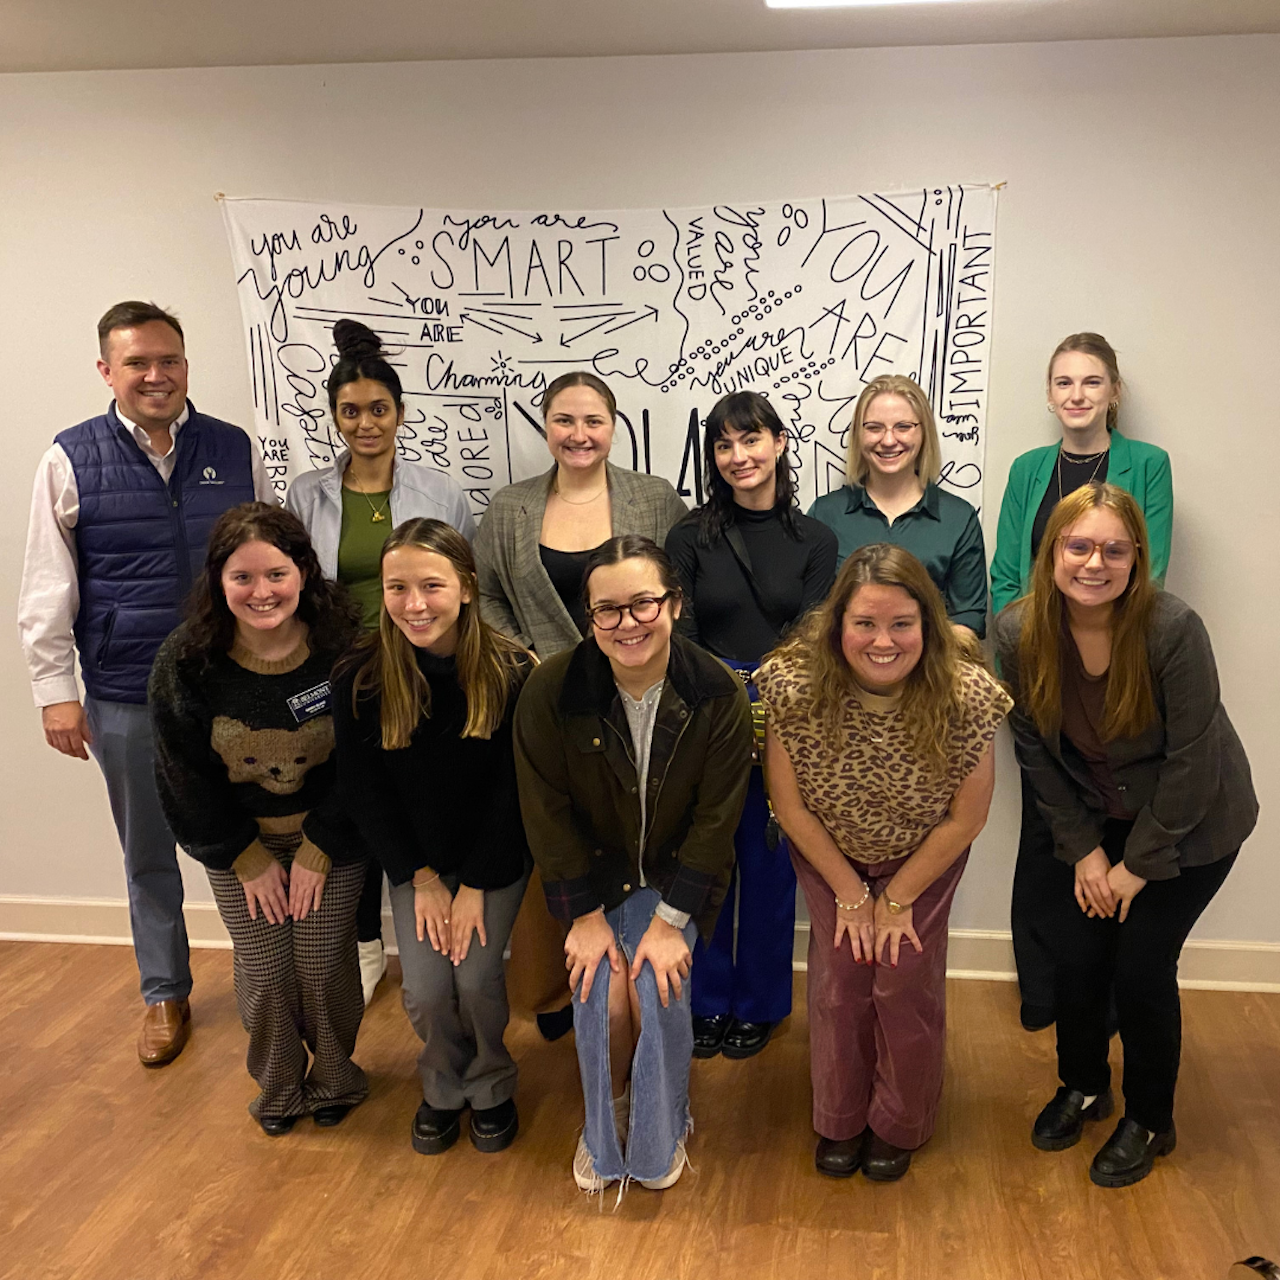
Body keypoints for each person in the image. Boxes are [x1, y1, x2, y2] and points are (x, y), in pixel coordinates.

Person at [18, 300, 274, 1067]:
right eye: (137, 363)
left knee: (255, 838)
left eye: (168, 360)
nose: (155, 376)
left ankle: (271, 981)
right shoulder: (70, 458)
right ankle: (164, 991)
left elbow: (269, 561)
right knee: (148, 851)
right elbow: (44, 586)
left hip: (230, 685)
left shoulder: (233, 450)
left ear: (186, 365)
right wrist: (54, 689)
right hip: (125, 690)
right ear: (108, 371)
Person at [994, 483, 1255, 1188]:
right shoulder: (1016, 633)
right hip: (1094, 818)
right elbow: (1035, 755)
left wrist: (1133, 869)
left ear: (1137, 557)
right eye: (1078, 546)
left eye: (1114, 549)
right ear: (1052, 553)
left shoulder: (1173, 629)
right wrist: (1084, 851)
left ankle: (1150, 1118)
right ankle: (1083, 1085)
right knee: (1076, 956)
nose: (1094, 563)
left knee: (1139, 967)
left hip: (1194, 822)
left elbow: (1194, 763)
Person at [757, 543, 1010, 1182]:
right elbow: (788, 806)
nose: (883, 641)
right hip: (827, 850)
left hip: (925, 852)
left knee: (903, 980)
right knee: (841, 982)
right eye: (865, 623)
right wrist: (849, 893)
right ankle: (839, 1117)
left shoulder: (968, 693)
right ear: (837, 622)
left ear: (927, 622)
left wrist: (896, 899)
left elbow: (967, 818)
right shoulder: (791, 684)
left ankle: (901, 1120)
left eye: (902, 624)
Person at [513, 536, 753, 1192]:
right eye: (607, 610)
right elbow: (546, 816)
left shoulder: (718, 692)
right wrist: (584, 917)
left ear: (673, 604)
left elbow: (716, 822)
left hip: (677, 878)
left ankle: (662, 1125)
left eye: (643, 604)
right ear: (588, 617)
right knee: (599, 992)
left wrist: (672, 920)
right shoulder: (550, 689)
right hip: (589, 877)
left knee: (655, 984)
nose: (627, 624)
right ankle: (608, 1117)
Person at [476, 371, 688, 1039]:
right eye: (565, 421)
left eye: (593, 420)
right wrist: (528, 660)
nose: (579, 434)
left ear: (614, 425)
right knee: (557, 836)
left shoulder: (654, 500)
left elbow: (675, 592)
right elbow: (483, 597)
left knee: (636, 835)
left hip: (635, 697)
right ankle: (567, 983)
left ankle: (638, 962)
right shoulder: (510, 507)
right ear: (546, 428)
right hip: (548, 701)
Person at [149, 503, 369, 1134]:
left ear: (303, 571)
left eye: (275, 574)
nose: (261, 592)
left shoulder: (344, 645)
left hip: (330, 838)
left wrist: (321, 845)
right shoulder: (186, 663)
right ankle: (277, 1090)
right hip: (240, 846)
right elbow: (180, 776)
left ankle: (335, 1076)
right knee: (267, 971)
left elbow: (365, 760)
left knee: (323, 963)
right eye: (242, 578)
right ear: (219, 582)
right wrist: (242, 857)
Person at [286, 318, 476, 1006]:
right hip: (336, 673)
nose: (365, 424)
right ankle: (364, 944)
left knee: (399, 795)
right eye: (350, 411)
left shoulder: (441, 494)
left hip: (418, 669)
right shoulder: (307, 494)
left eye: (378, 409)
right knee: (346, 796)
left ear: (399, 413)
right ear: (334, 416)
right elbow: (294, 588)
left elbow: (459, 583)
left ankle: (408, 935)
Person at [332, 519, 533, 1156]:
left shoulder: (512, 670)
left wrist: (472, 884)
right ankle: (444, 1083)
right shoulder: (359, 677)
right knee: (422, 989)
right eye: (398, 588)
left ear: (467, 588)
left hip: (491, 857)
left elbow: (513, 792)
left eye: (431, 586)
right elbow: (366, 791)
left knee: (475, 980)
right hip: (414, 862)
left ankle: (492, 1081)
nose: (414, 605)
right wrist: (419, 879)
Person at [991, 333, 1175, 1032]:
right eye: (1064, 382)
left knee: (1114, 821)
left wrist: (1096, 639)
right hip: (1037, 669)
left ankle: (1107, 996)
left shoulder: (1147, 465)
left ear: (1114, 393)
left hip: (1116, 668)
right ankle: (1044, 992)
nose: (1077, 394)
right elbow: (1009, 574)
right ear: (1048, 394)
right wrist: (1029, 651)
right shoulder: (1029, 468)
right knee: (1046, 826)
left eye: (1091, 382)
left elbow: (1147, 570)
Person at [665, 391, 837, 1060]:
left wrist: (766, 686)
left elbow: (817, 625)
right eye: (724, 445)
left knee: (769, 867)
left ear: (780, 443)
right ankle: (705, 1000)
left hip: (788, 713)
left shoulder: (815, 538)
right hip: (705, 709)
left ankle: (761, 1003)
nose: (739, 456)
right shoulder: (689, 535)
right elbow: (680, 629)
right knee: (705, 862)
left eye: (751, 440)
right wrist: (726, 689)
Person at [808, 373, 987, 638]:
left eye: (903, 426)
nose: (889, 440)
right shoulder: (825, 514)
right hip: (843, 672)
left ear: (924, 433)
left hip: (930, 673)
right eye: (874, 427)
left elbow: (968, 618)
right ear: (858, 435)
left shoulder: (958, 519)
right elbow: (813, 615)